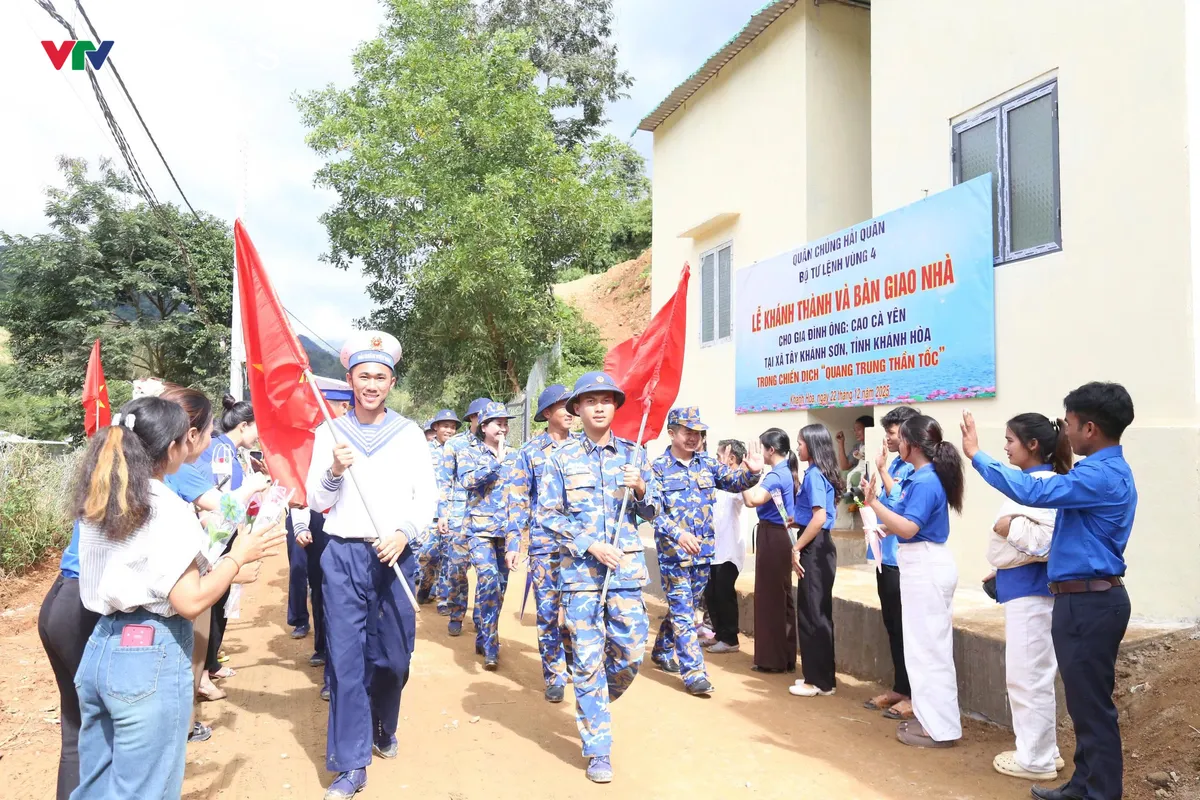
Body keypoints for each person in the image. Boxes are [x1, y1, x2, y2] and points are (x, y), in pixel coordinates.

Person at [72, 398, 284, 798]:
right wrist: (237, 558)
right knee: (146, 788)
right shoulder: (165, 506)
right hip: (149, 655)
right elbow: (190, 600)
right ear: (172, 448)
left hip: (102, 647)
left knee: (96, 784)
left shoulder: (102, 496)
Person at [962, 382, 1137, 800]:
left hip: (1089, 601)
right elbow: (1065, 534)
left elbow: (1033, 490)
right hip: (1085, 598)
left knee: (1092, 708)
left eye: (1071, 423)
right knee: (1085, 705)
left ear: (1090, 428)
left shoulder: (1098, 474)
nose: (1067, 431)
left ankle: (1099, 793)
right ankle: (1085, 786)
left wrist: (976, 455)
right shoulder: (1104, 471)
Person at [305, 331, 437, 800]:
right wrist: (334, 471)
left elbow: (428, 498)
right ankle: (351, 762)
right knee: (345, 660)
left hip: (394, 556)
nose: (372, 384)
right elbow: (317, 501)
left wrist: (404, 531)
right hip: (342, 555)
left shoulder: (409, 435)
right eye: (364, 376)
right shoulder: (329, 433)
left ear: (391, 381)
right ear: (351, 380)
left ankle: (385, 722)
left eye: (380, 376)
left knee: (393, 660)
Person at [538, 371, 660, 784]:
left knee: (629, 652)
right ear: (577, 409)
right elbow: (547, 516)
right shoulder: (560, 458)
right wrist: (590, 543)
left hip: (625, 573)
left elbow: (653, 511)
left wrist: (641, 488)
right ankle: (598, 749)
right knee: (588, 661)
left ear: (615, 406)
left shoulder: (634, 455)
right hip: (581, 577)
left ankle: (596, 698)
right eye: (590, 401)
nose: (599, 406)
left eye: (607, 399)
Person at [976, 413, 1071, 782]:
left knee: (1028, 677)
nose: (1005, 447)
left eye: (1010, 440)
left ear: (1032, 445)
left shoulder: (1043, 484)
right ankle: (1044, 750)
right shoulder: (1036, 483)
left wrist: (1009, 527)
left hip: (1034, 594)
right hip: (1024, 589)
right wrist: (1003, 566)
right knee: (1032, 675)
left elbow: (1047, 542)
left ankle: (1036, 759)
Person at [862, 415, 965, 748]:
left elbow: (908, 527)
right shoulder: (924, 477)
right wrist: (882, 523)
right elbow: (903, 520)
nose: (896, 443)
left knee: (929, 651)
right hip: (922, 563)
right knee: (925, 649)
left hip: (926, 565)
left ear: (914, 445)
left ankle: (939, 728)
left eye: (900, 438)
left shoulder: (924, 480)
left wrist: (873, 502)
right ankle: (932, 722)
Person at [649, 407, 761, 696]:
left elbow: (736, 483)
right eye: (687, 432)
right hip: (674, 555)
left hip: (703, 556)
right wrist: (679, 533)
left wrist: (753, 472)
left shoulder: (707, 465)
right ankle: (694, 673)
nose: (693, 438)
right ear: (672, 433)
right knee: (686, 614)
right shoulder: (658, 469)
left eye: (698, 433)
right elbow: (652, 512)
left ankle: (662, 650)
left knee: (681, 609)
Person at [506, 384, 576, 702]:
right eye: (563, 406)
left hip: (581, 546)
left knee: (578, 610)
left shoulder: (586, 448)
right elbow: (518, 499)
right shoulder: (530, 453)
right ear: (547, 413)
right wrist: (512, 543)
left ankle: (575, 662)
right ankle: (555, 673)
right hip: (545, 544)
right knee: (548, 611)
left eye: (572, 405)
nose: (571, 412)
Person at [291, 386, 354, 696]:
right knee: (321, 590)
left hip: (353, 526)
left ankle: (342, 667)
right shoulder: (313, 439)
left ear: (344, 406)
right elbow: (302, 487)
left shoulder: (364, 437)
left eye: (328, 404)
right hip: (319, 522)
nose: (321, 409)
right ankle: (323, 648)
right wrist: (300, 524)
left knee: (346, 598)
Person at [864, 405, 921, 720]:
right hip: (884, 555)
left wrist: (883, 473)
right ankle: (901, 686)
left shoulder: (919, 467)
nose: (888, 438)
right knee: (893, 626)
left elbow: (901, 504)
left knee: (907, 627)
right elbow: (884, 504)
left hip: (903, 557)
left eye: (893, 433)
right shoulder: (896, 463)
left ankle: (914, 694)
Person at [38, 521, 100, 799]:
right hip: (82, 607)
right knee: (105, 723)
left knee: (77, 725)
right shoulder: (140, 487)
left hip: (60, 599)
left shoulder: (97, 484)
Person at [458, 401, 519, 669]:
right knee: (488, 580)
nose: (503, 428)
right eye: (498, 423)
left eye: (506, 423)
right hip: (479, 530)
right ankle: (492, 643)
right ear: (484, 427)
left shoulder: (516, 455)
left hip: (505, 532)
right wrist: (496, 463)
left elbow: (521, 492)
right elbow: (467, 481)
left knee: (501, 589)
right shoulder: (469, 453)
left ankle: (485, 633)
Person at [789, 424, 845, 698]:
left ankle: (819, 681)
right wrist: (797, 519)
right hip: (817, 543)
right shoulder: (817, 473)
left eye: (800, 442)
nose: (798, 447)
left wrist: (796, 547)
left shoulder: (813, 476)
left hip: (815, 545)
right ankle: (818, 676)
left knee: (814, 613)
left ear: (811, 445)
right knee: (814, 610)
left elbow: (820, 518)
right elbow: (814, 515)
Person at [740, 428, 799, 674]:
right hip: (780, 535)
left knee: (769, 598)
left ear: (770, 450)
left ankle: (771, 659)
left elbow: (752, 500)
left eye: (762, 448)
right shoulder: (786, 472)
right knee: (781, 597)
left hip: (772, 535)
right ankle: (783, 656)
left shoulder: (776, 475)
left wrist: (742, 474)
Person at [441, 397, 490, 633]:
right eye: (480, 416)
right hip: (459, 516)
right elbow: (445, 481)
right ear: (471, 418)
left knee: (486, 571)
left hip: (489, 518)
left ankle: (482, 618)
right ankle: (457, 613)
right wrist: (443, 513)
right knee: (457, 568)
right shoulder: (455, 445)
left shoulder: (497, 445)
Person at [703, 440, 748, 655]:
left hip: (729, 550)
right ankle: (719, 635)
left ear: (730, 458)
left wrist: (741, 470)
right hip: (713, 549)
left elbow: (745, 495)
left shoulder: (738, 482)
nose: (715, 458)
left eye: (719, 454)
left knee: (724, 593)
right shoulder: (718, 482)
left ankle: (730, 639)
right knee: (711, 593)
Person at [417, 408, 461, 604]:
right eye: (445, 426)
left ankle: (444, 599)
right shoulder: (425, 451)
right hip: (430, 511)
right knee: (429, 555)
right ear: (435, 427)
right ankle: (426, 587)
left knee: (450, 558)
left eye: (452, 427)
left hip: (454, 510)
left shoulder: (462, 450)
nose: (449, 430)